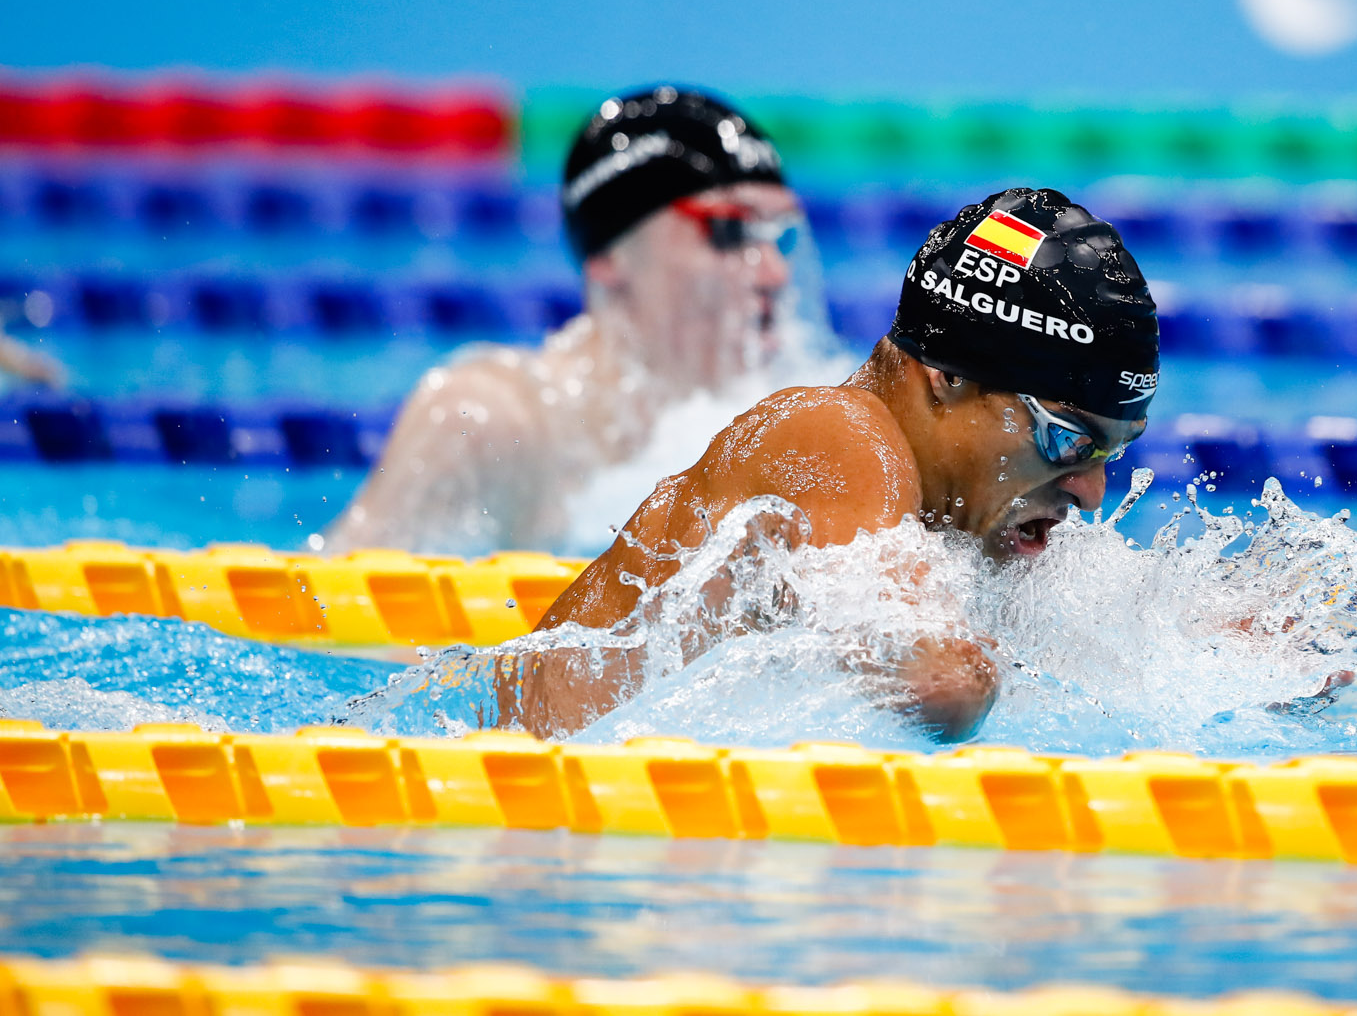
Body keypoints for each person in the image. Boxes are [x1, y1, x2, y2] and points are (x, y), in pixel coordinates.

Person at [496, 187, 1160, 742]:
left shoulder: (938, 526)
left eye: (1113, 452)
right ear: (947, 375)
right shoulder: (833, 434)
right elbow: (942, 684)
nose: (1092, 491)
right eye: (1069, 440)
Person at [323, 85, 816, 558]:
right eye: (730, 228)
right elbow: (340, 610)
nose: (774, 272)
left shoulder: (808, 415)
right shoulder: (494, 421)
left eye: (779, 236)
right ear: (609, 254)